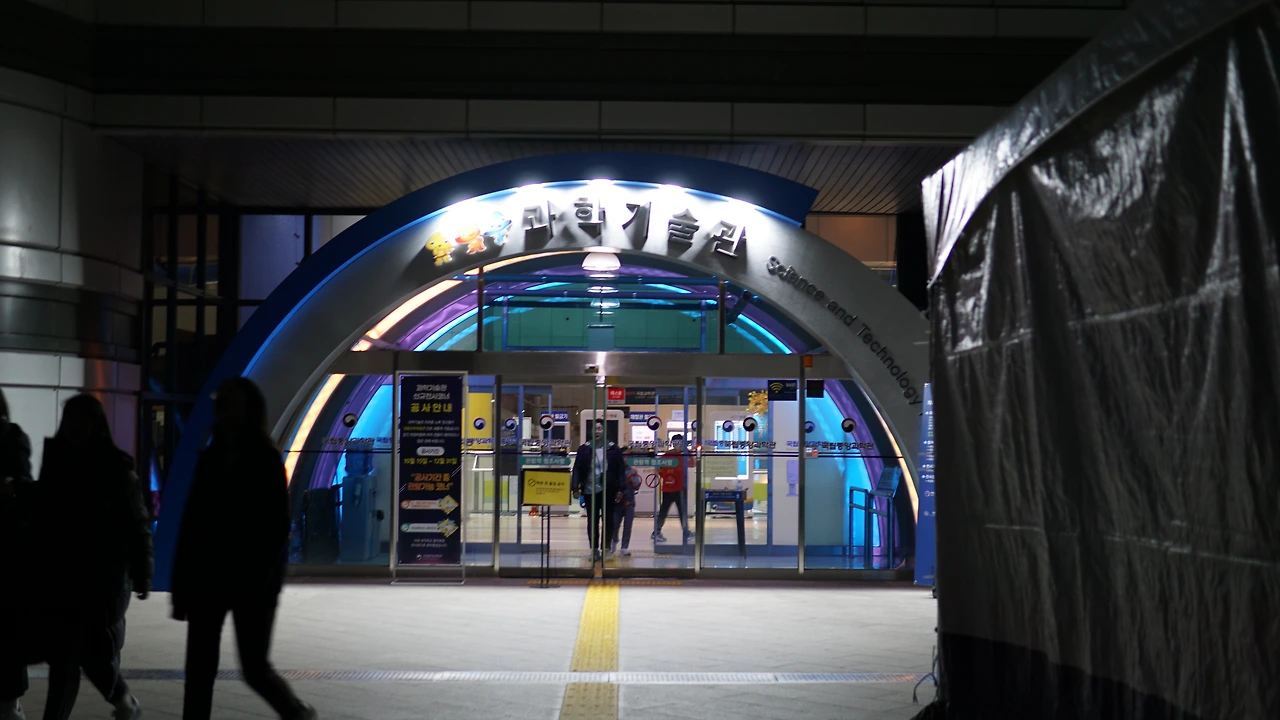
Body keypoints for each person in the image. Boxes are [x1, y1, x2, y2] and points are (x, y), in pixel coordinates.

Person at [171, 378, 316, 720]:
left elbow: (275, 526)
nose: (224, 406)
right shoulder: (210, 455)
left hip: (251, 581)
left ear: (248, 408)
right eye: (223, 400)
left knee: (254, 668)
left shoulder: (264, 458)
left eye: (231, 400)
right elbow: (192, 523)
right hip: (209, 576)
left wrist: (257, 577)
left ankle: (296, 712)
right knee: (199, 669)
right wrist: (182, 587)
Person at [33, 394, 152, 720]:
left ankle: (123, 701)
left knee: (86, 653)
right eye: (70, 419)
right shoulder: (58, 461)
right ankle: (123, 702)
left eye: (80, 419)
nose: (74, 427)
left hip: (102, 579)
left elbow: (136, 523)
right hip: (65, 575)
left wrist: (142, 573)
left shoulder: (115, 467)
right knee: (68, 655)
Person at [0, 390, 33, 720]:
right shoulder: (14, 437)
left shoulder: (11, 438)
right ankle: (9, 705)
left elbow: (23, 489)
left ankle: (9, 705)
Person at [570, 421, 624, 560]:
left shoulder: (614, 449)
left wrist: (620, 488)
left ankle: (606, 548)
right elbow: (577, 469)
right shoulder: (584, 449)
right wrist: (575, 487)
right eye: (595, 428)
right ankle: (594, 549)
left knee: (608, 520)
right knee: (592, 521)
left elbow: (620, 470)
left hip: (608, 490)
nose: (597, 431)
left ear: (605, 431)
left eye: (600, 428)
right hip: (590, 490)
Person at [652, 434, 694, 544]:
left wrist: (665, 477)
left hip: (671, 487)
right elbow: (692, 464)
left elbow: (658, 468)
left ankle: (657, 531)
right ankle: (685, 532)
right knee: (678, 511)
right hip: (676, 488)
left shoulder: (674, 454)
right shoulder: (677, 455)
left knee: (667, 510)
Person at [611, 464, 643, 557]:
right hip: (617, 503)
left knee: (628, 526)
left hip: (629, 502)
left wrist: (634, 476)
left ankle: (624, 547)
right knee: (615, 524)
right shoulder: (614, 470)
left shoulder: (632, 471)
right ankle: (614, 539)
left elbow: (637, 486)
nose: (624, 459)